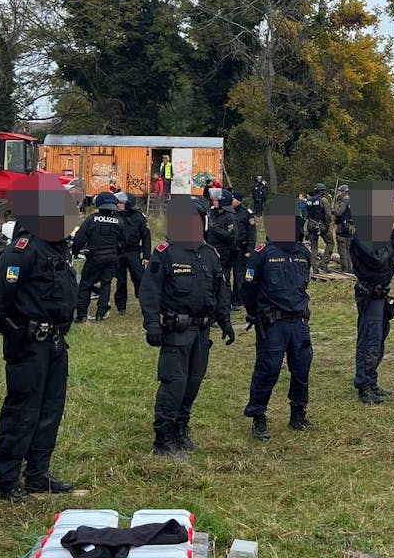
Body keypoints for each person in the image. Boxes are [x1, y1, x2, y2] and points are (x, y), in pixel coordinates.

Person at [0, 174, 79, 503]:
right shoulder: (21, 251)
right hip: (29, 345)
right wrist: (19, 333)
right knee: (22, 411)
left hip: (55, 344)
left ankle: (38, 474)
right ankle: (8, 480)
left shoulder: (57, 249)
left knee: (51, 409)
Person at [141, 196, 234, 458]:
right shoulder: (166, 253)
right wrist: (152, 324)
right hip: (176, 332)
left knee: (193, 383)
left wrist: (225, 320)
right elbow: (149, 291)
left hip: (202, 333)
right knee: (174, 383)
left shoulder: (209, 254)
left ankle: (181, 428)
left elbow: (221, 289)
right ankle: (164, 437)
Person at [241, 200, 316, 440]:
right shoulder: (263, 254)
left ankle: (298, 413)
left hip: (299, 322)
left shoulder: (303, 253)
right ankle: (258, 416)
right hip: (272, 323)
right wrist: (256, 313)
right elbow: (247, 289)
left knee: (302, 369)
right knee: (268, 369)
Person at [347, 186, 394, 403]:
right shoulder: (362, 235)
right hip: (369, 293)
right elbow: (377, 259)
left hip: (381, 292)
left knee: (379, 339)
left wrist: (392, 232)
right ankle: (364, 384)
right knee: (370, 339)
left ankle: (372, 380)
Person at [72, 192, 126, 322]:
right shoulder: (118, 221)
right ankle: (100, 315)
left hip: (94, 257)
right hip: (111, 258)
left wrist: (75, 251)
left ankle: (82, 315)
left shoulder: (92, 219)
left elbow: (80, 237)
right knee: (105, 285)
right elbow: (124, 242)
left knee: (85, 285)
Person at [114, 192, 152, 315]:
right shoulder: (114, 216)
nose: (118, 205)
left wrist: (146, 256)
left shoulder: (138, 217)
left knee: (139, 279)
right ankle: (121, 307)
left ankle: (145, 305)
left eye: (121, 203)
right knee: (121, 281)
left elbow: (146, 237)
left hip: (133, 252)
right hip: (118, 252)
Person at [303, 183, 331, 269]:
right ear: (322, 191)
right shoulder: (323, 200)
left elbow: (306, 214)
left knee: (314, 246)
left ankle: (314, 267)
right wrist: (327, 225)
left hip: (310, 224)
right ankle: (323, 263)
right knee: (330, 243)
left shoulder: (308, 200)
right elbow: (328, 215)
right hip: (320, 224)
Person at [332, 184, 354, 268]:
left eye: (340, 191)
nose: (338, 193)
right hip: (350, 228)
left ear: (344, 192)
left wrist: (332, 210)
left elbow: (339, 213)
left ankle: (345, 268)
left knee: (342, 250)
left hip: (342, 228)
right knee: (348, 249)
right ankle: (350, 267)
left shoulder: (344, 201)